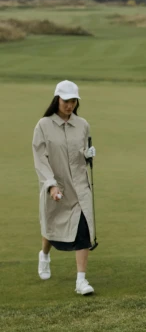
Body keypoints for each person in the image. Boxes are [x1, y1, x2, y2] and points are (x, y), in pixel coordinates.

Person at [32, 80, 97, 296]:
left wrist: (88, 155)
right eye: (65, 100)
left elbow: (82, 152)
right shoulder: (43, 125)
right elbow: (40, 159)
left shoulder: (82, 124)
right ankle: (44, 255)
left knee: (83, 231)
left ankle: (81, 281)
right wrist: (50, 185)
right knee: (52, 229)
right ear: (57, 99)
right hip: (57, 186)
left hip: (80, 187)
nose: (69, 105)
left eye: (73, 101)